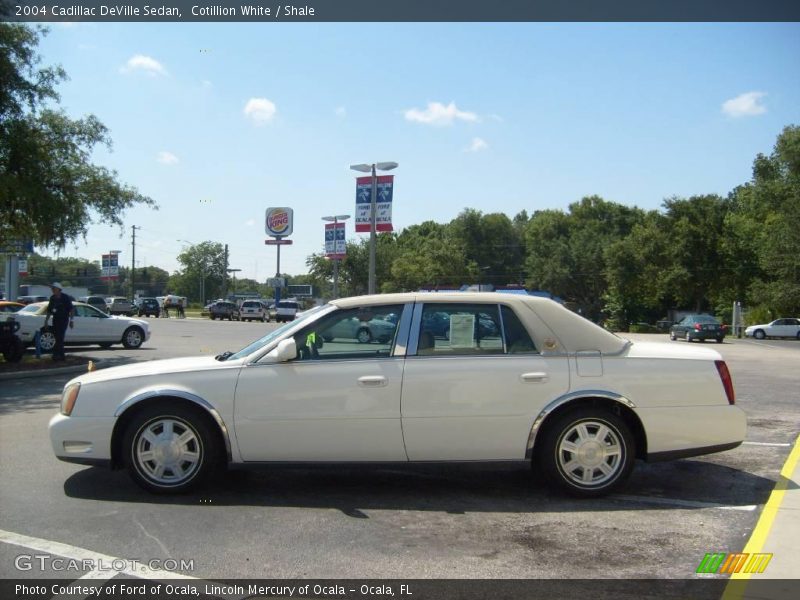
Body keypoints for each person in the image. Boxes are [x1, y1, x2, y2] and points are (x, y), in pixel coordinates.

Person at [44, 282, 74, 361]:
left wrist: (71, 320)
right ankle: (59, 355)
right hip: (55, 320)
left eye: (54, 288)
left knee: (60, 337)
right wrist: (46, 321)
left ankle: (58, 356)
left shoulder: (65, 297)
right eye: (52, 288)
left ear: (59, 289)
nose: (52, 290)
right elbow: (49, 311)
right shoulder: (52, 298)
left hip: (64, 320)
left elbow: (71, 309)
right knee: (57, 337)